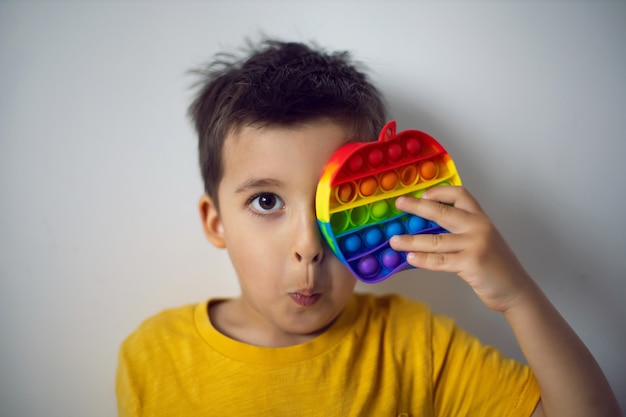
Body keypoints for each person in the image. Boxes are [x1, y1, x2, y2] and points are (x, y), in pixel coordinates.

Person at [116, 38, 622, 417]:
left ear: (381, 208)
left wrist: (517, 296)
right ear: (215, 221)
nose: (309, 248)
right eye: (266, 201)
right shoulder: (155, 355)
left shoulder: (413, 345)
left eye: (334, 205)